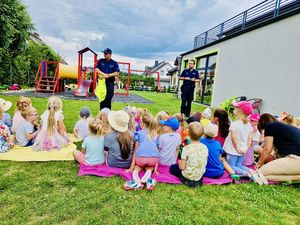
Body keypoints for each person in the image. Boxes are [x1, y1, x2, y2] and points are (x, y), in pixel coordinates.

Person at [256, 113, 300, 182]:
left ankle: (295, 178)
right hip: (296, 162)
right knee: (265, 175)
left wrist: (259, 163)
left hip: (295, 159)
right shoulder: (286, 127)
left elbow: (267, 149)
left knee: (259, 172)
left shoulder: (269, 126)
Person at [124, 113, 159, 191]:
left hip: (141, 159)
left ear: (142, 124)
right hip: (153, 159)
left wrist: (131, 168)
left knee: (137, 168)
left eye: (140, 122)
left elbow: (136, 151)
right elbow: (156, 150)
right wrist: (155, 167)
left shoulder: (138, 133)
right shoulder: (156, 134)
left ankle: (136, 181)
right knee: (149, 167)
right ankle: (147, 178)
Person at [169, 122, 208, 187]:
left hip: (187, 179)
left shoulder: (186, 148)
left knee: (172, 168)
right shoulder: (205, 147)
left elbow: (182, 167)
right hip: (199, 180)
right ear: (202, 135)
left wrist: (180, 163)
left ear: (188, 134)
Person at [223, 101, 253, 175]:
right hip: (243, 149)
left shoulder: (234, 124)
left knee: (231, 166)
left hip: (233, 150)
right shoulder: (249, 125)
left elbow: (234, 138)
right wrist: (246, 148)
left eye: (235, 108)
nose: (233, 110)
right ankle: (252, 172)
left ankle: (247, 174)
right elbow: (250, 139)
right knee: (239, 165)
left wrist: (237, 148)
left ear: (239, 111)